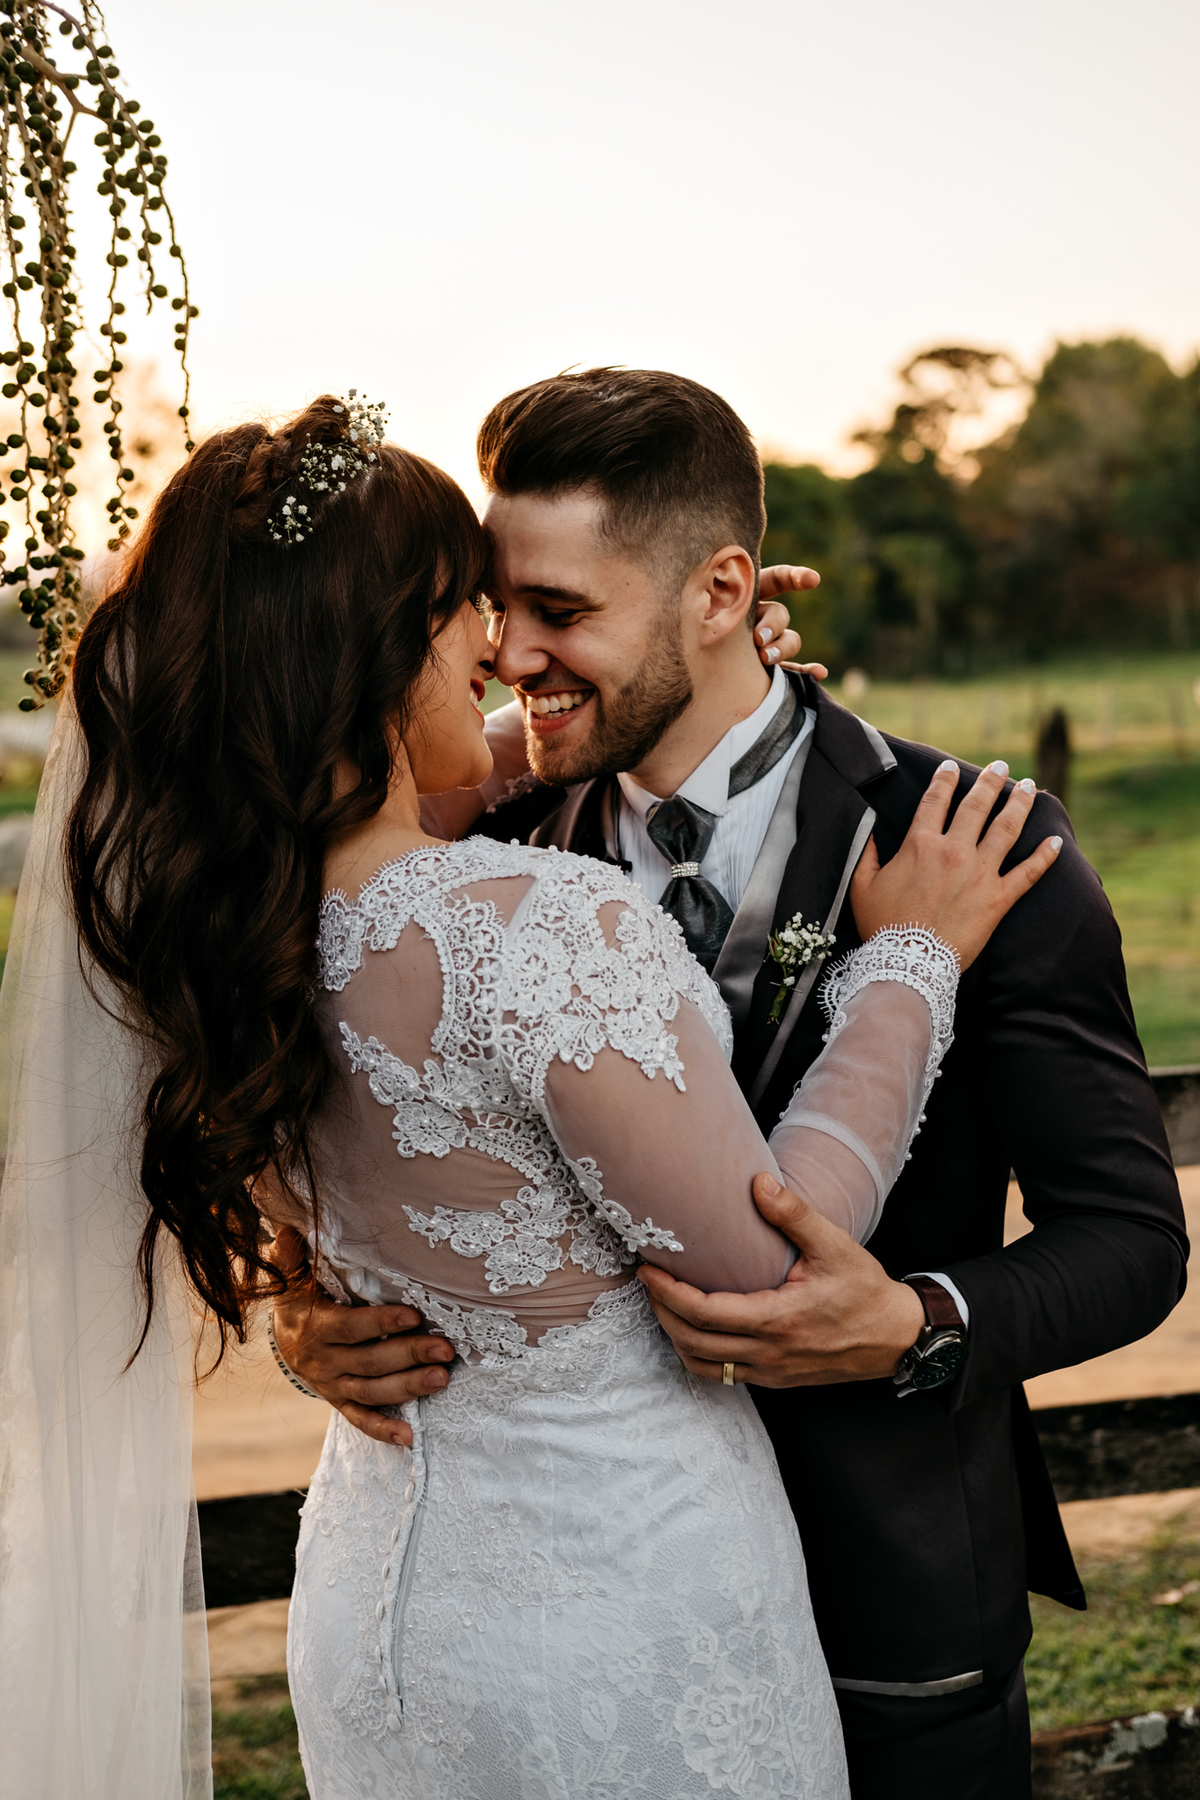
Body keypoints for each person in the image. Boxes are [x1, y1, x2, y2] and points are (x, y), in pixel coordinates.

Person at [0, 391, 1060, 1800]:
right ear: (382, 659)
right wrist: (911, 960)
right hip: (622, 1627)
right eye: (466, 619)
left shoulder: (223, 935)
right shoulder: (535, 926)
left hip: (385, 1606)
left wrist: (682, 665)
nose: (499, 652)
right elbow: (766, 1267)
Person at [276, 368, 1189, 1799]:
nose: (510, 654)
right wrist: (310, 1313)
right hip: (589, 1614)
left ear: (722, 592)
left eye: (562, 614)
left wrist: (913, 1325)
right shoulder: (476, 854)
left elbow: (1134, 1244)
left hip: (891, 1601)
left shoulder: (974, 846)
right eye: (494, 608)